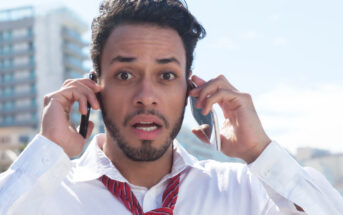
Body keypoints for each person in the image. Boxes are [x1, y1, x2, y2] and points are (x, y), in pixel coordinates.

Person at [0, 0, 342, 214]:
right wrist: (46, 154)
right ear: (94, 88)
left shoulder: (245, 192)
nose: (146, 95)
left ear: (190, 89)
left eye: (166, 75)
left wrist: (260, 152)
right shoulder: (41, 194)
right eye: (124, 74)